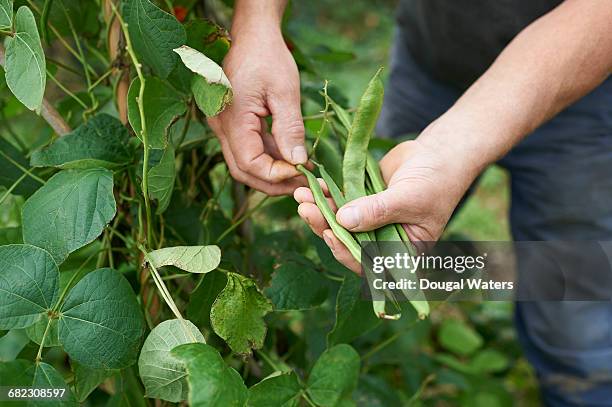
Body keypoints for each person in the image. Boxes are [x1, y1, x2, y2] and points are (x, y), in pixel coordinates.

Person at [207, 1, 612, 405]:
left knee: (577, 319)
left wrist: (451, 148)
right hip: (432, 59)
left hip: (587, 81)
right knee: (379, 260)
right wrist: (257, 22)